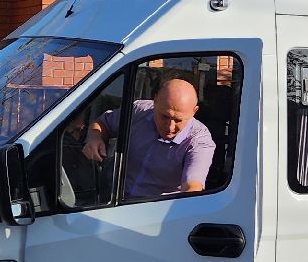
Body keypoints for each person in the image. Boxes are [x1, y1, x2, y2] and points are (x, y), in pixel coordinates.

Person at [85, 78, 217, 200]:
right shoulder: (138, 111)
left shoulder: (200, 141)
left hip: (156, 208)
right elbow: (103, 124)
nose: (170, 127)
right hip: (112, 198)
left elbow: (192, 188)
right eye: (164, 116)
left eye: (178, 120)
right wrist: (94, 137)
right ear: (155, 101)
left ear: (194, 111)